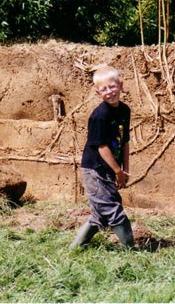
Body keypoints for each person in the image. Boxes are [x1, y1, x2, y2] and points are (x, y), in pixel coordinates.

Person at [70, 65, 134, 249]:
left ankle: (75, 248)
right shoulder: (100, 116)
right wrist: (117, 171)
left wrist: (125, 170)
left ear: (120, 85)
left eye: (112, 86)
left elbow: (125, 142)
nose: (109, 92)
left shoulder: (124, 111)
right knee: (112, 209)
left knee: (101, 213)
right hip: (95, 169)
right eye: (104, 89)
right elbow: (102, 147)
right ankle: (132, 251)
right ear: (98, 92)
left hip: (110, 168)